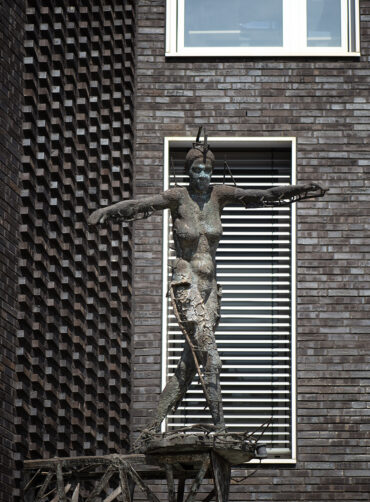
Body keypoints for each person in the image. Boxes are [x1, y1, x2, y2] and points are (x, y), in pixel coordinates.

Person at [89, 130, 327, 437]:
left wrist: (300, 189)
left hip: (212, 288)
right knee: (211, 357)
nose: (202, 175)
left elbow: (261, 196)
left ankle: (148, 430)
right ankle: (221, 430)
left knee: (190, 363)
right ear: (188, 172)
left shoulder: (219, 195)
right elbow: (140, 204)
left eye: (207, 170)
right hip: (186, 282)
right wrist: (107, 212)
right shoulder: (178, 198)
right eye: (197, 170)